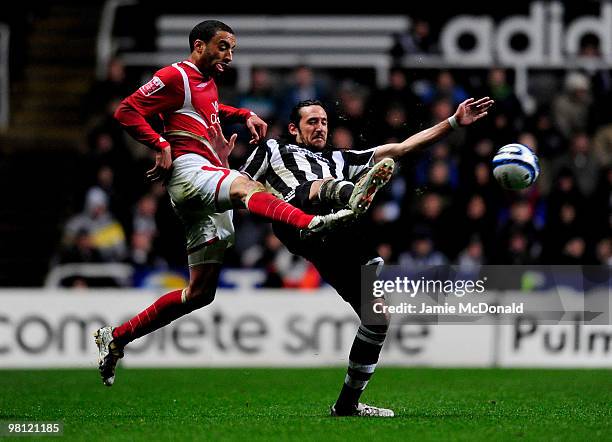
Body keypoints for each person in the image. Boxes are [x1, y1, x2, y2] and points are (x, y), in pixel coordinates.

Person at [93, 20, 365, 387]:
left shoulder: (205, 84)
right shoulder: (175, 75)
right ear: (199, 45)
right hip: (190, 172)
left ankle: (116, 337)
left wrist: (244, 115)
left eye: (232, 49)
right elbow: (127, 110)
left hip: (201, 186)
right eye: (223, 47)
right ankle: (310, 223)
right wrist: (159, 144)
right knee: (247, 187)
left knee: (200, 294)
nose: (229, 56)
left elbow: (213, 109)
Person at [241, 96, 493, 417]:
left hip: (332, 238)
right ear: (293, 128)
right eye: (311, 122)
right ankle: (352, 194)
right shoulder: (272, 150)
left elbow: (401, 148)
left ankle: (347, 405)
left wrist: (453, 122)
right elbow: (237, 184)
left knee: (377, 318)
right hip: (294, 217)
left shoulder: (340, 157)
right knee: (317, 189)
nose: (320, 127)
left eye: (324, 122)